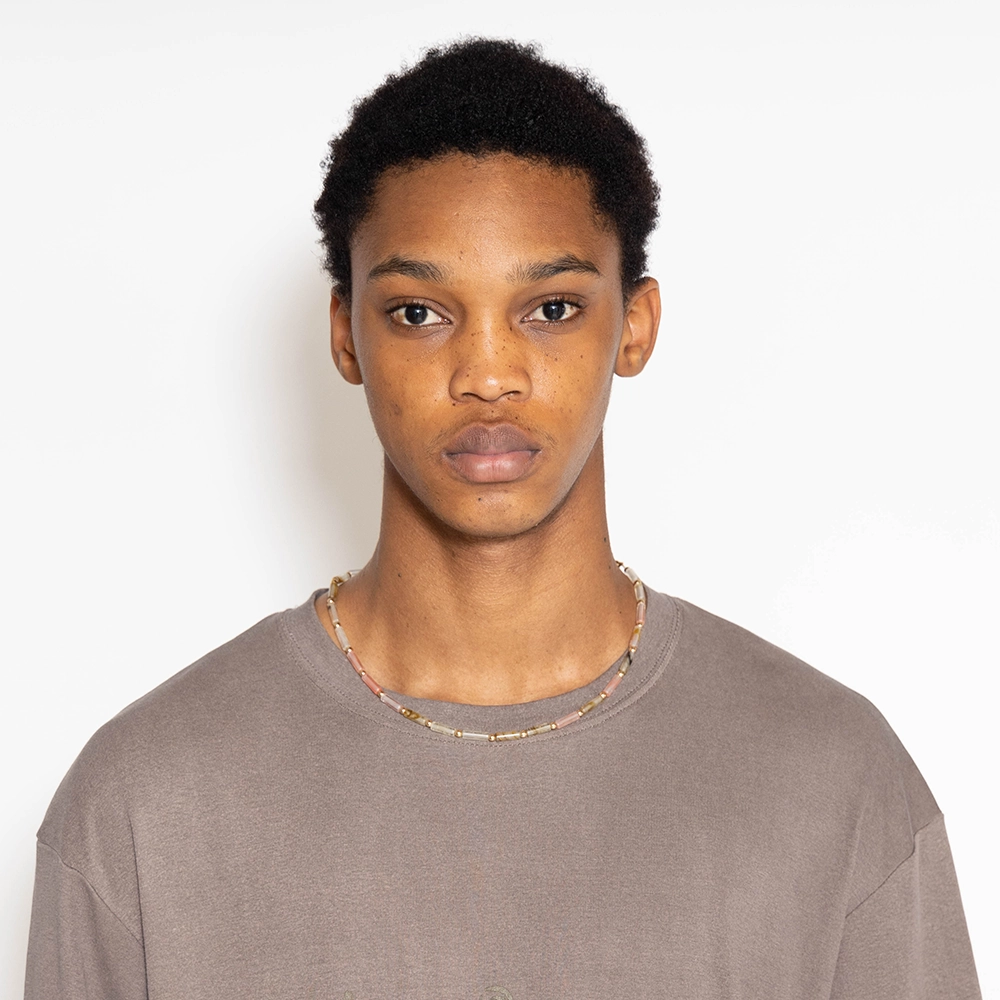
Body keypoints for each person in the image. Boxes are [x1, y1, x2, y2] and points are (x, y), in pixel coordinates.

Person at [24, 38, 980, 1000]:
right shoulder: (144, 806)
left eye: (552, 307)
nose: (488, 374)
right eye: (419, 313)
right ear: (345, 334)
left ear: (636, 325)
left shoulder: (833, 783)